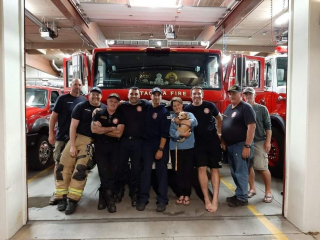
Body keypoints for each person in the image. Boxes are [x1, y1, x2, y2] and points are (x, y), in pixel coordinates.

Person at [55, 87, 106, 215]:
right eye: (93, 94)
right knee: (63, 167)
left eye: (98, 95)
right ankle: (61, 198)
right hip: (75, 138)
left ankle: (72, 200)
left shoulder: (104, 109)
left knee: (80, 170)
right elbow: (73, 126)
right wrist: (72, 146)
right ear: (89, 95)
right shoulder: (81, 106)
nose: (95, 97)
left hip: (88, 141)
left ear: (101, 96)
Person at [184, 86, 223, 212]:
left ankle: (215, 199)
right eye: (194, 94)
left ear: (202, 95)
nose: (196, 96)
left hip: (212, 141)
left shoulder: (210, 105)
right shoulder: (187, 108)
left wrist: (219, 133)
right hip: (198, 143)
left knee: (214, 169)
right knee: (201, 168)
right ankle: (207, 199)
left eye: (198, 94)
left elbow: (219, 118)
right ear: (191, 96)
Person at [48, 78, 86, 205]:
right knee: (59, 165)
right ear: (71, 85)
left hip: (76, 139)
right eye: (75, 84)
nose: (77, 86)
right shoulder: (62, 99)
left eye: (79, 84)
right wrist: (51, 134)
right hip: (62, 137)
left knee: (72, 166)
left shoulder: (83, 100)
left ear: (82, 86)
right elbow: (53, 117)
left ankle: (68, 191)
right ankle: (57, 191)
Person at [136, 87, 171, 212]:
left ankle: (162, 200)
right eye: (154, 95)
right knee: (145, 171)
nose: (156, 97)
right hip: (147, 144)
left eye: (158, 95)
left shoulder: (165, 112)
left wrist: (160, 149)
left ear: (161, 97)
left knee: (161, 172)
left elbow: (165, 133)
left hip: (160, 144)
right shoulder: (146, 108)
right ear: (150, 96)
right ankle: (143, 198)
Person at [221, 85, 256, 207]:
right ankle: (239, 193)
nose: (231, 96)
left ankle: (242, 198)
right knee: (234, 172)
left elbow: (251, 127)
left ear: (240, 94)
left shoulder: (246, 108)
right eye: (229, 93)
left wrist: (247, 146)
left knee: (241, 172)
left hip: (241, 145)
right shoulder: (228, 108)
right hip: (230, 146)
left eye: (234, 93)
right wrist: (224, 141)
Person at [114, 87, 148, 207]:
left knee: (135, 169)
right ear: (128, 95)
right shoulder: (122, 106)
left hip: (138, 143)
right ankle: (119, 191)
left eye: (136, 94)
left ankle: (134, 193)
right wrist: (96, 111)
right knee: (120, 168)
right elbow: (110, 109)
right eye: (131, 94)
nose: (133, 96)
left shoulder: (145, 104)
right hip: (123, 142)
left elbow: (159, 102)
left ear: (139, 95)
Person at [91, 93, 125, 213]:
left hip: (115, 148)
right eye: (111, 101)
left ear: (118, 103)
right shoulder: (99, 113)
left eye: (116, 102)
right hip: (100, 147)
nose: (113, 103)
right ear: (107, 101)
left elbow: (119, 133)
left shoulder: (120, 115)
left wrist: (102, 130)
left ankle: (102, 197)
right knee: (103, 172)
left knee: (112, 173)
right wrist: (111, 128)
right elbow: (94, 129)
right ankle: (109, 200)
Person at [243, 87, 273, 203]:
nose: (248, 97)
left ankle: (268, 191)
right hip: (247, 143)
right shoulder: (243, 108)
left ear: (255, 95)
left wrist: (268, 141)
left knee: (262, 167)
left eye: (250, 95)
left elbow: (268, 126)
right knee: (249, 167)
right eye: (246, 95)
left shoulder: (262, 109)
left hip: (259, 141)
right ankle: (252, 189)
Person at [169, 97, 198, 206]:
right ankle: (180, 194)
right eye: (174, 106)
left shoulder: (189, 114)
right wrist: (183, 134)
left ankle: (187, 194)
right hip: (176, 149)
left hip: (189, 148)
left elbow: (194, 123)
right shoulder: (171, 118)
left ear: (182, 105)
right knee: (178, 172)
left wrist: (180, 121)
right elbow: (171, 134)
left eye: (178, 105)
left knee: (188, 172)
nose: (177, 107)